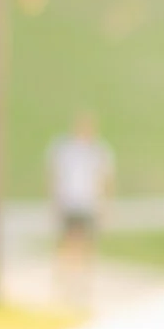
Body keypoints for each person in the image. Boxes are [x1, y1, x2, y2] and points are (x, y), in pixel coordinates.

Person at [46, 112, 114, 306]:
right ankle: (64, 278)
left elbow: (105, 180)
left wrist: (106, 205)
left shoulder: (99, 151)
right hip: (69, 202)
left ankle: (82, 280)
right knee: (67, 242)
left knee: (86, 243)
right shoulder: (65, 150)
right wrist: (54, 202)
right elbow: (55, 176)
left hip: (88, 203)